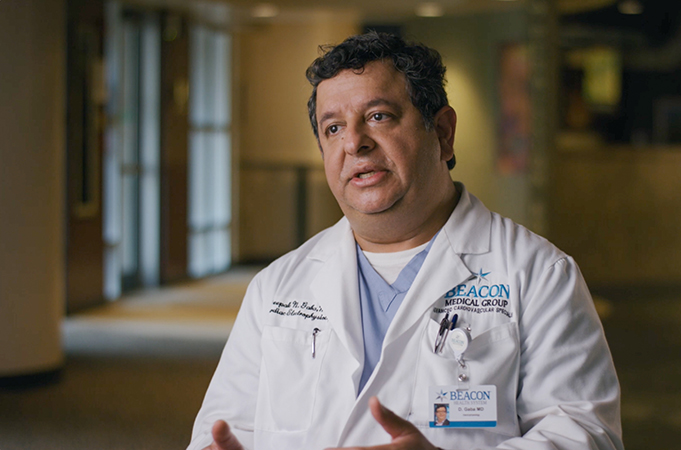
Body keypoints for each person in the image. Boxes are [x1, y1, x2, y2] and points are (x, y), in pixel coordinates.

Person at [188, 32, 623, 450]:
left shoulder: (539, 275)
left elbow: (587, 436)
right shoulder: (277, 286)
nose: (355, 143)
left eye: (379, 116)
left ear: (443, 133)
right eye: (333, 128)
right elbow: (221, 428)